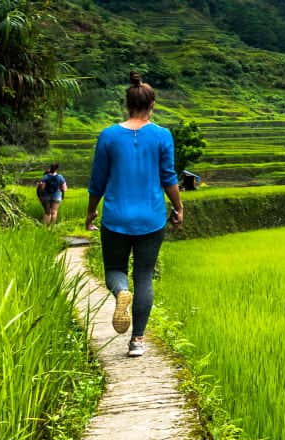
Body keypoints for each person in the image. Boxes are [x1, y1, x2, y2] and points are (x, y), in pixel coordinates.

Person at [84, 71, 184, 358]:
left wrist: (91, 212)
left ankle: (120, 293)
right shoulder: (162, 135)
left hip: (116, 217)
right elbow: (169, 178)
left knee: (115, 270)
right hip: (151, 218)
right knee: (144, 276)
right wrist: (178, 207)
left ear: (126, 104)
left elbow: (98, 181)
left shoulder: (108, 136)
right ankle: (137, 341)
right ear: (152, 105)